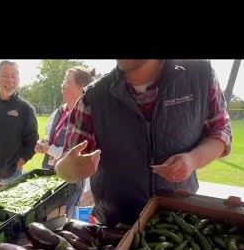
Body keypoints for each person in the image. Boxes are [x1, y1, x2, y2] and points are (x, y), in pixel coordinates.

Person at [55, 59, 232, 227]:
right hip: (116, 226)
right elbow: (64, 165)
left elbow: (221, 131)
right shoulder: (93, 98)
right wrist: (71, 168)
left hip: (181, 222)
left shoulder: (200, 75)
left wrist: (193, 160)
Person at [34, 66, 96, 218]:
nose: (62, 86)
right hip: (50, 174)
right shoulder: (60, 111)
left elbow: (77, 154)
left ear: (81, 86)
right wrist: (43, 144)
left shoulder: (88, 116)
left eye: (67, 82)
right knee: (46, 218)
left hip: (70, 182)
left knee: (63, 221)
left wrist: (49, 149)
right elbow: (51, 137)